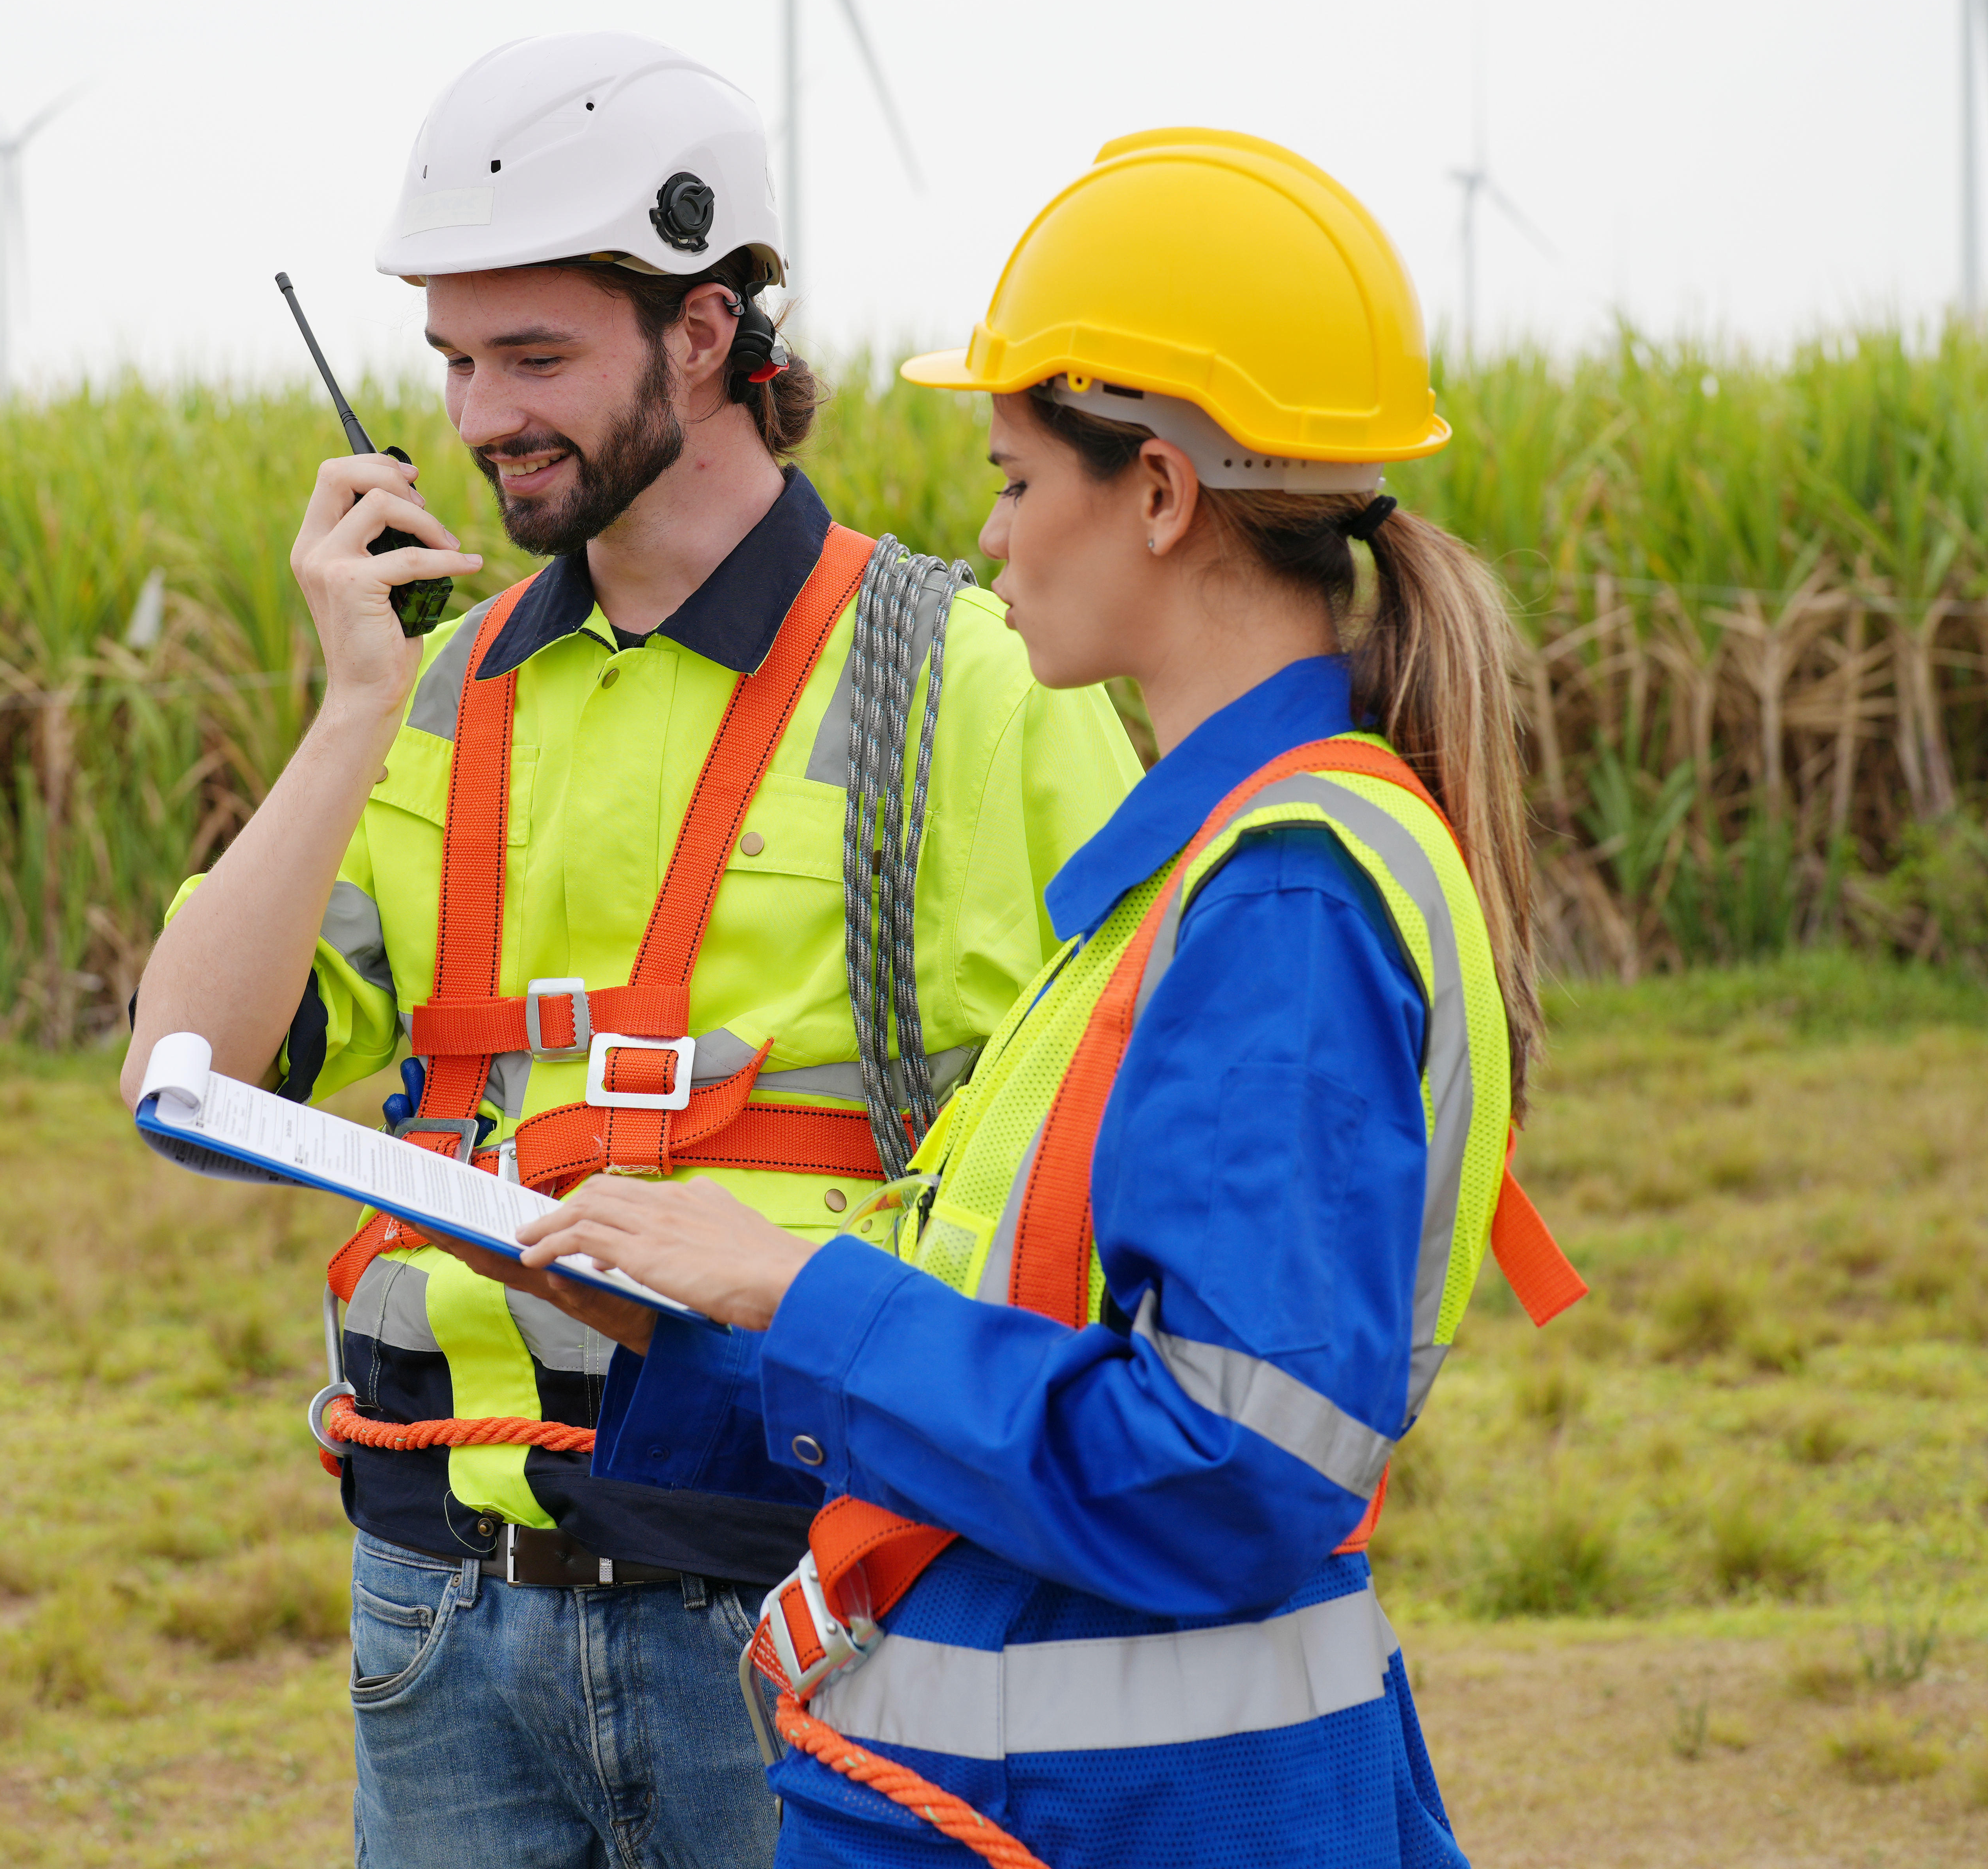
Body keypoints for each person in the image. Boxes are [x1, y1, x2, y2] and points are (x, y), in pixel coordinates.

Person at [462, 128, 1587, 1869]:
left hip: (1119, 1813)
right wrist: (693, 1321)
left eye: (1011, 477)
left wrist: (798, 1283)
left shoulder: (1280, 894)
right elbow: (1035, 1308)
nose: (985, 543)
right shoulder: (1199, 858)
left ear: (1155, 491)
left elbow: (1219, 1463)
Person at [122, 33, 1142, 1869]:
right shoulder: (440, 692)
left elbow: (1101, 1167)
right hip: (440, 1614)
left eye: (535, 357)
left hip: (796, 1607)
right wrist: (355, 699)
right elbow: (184, 1061)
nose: (482, 412)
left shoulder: (971, 680)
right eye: (453, 361)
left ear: (702, 331)